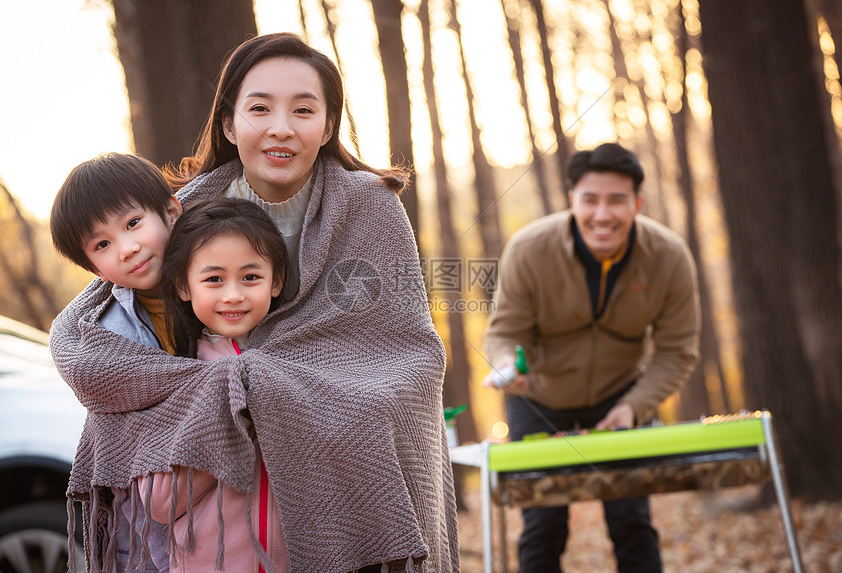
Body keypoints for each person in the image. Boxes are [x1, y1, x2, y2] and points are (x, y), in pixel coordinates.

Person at [50, 32, 459, 573]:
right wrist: (224, 392)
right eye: (260, 108)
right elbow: (102, 312)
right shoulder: (183, 214)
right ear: (228, 123)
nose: (281, 127)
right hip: (218, 522)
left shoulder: (369, 210)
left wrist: (282, 389)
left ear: (328, 124)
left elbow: (407, 354)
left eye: (304, 109)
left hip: (325, 472)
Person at [483, 142, 700, 573]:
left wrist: (633, 407)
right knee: (542, 528)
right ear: (572, 201)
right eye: (591, 200)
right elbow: (504, 332)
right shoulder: (529, 249)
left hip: (619, 398)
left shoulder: (669, 257)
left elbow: (677, 352)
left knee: (632, 522)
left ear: (637, 203)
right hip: (537, 400)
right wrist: (507, 367)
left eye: (617, 200)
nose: (603, 215)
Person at [50, 151, 182, 572]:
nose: (127, 248)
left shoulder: (225, 285)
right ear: (94, 268)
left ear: (171, 212)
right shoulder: (106, 338)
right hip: (153, 529)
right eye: (103, 244)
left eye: (133, 223)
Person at [139, 198, 288, 573]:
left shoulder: (297, 364)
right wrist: (236, 420)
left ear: (277, 281)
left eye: (250, 277)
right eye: (214, 279)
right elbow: (159, 503)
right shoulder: (177, 379)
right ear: (184, 286)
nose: (233, 294)